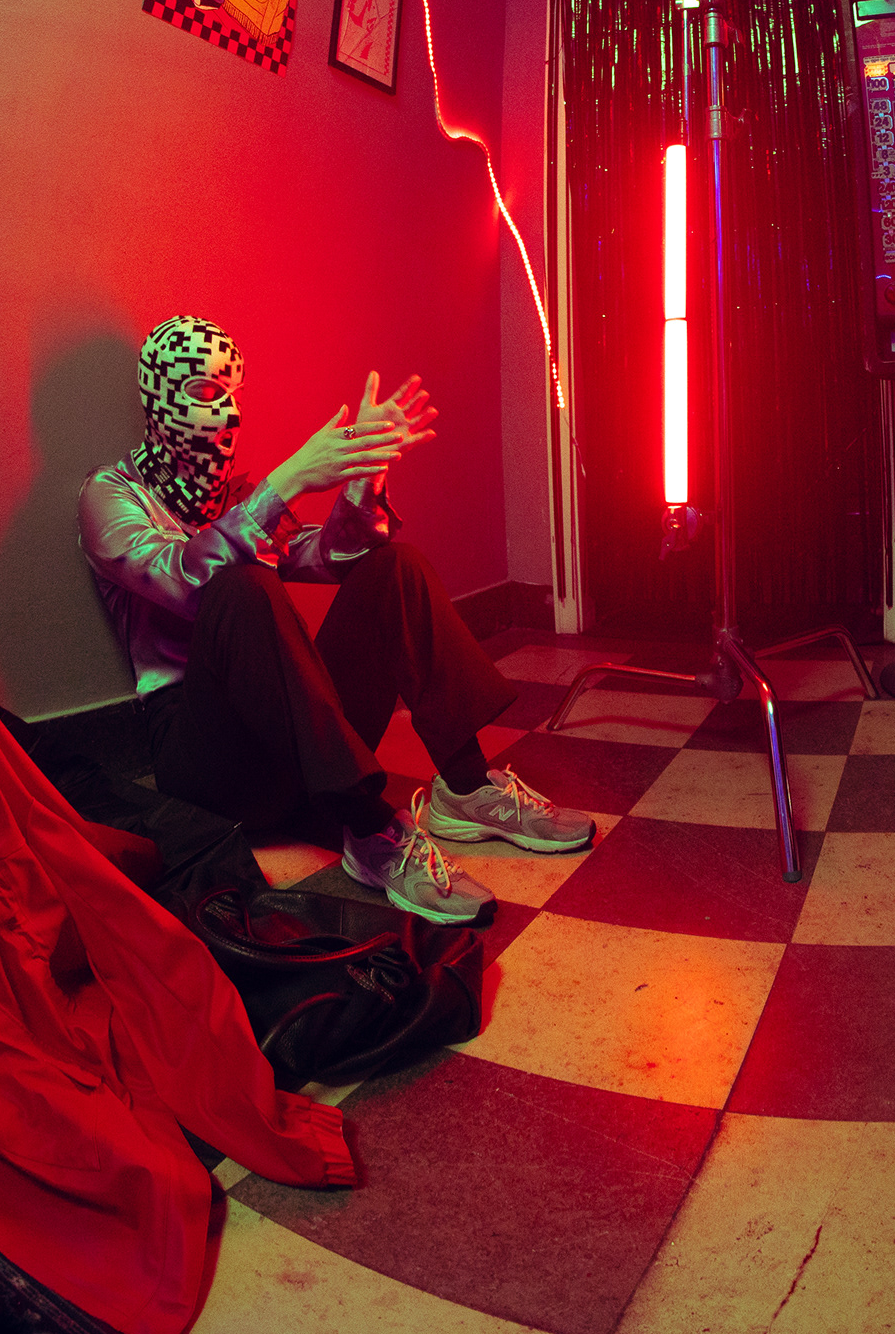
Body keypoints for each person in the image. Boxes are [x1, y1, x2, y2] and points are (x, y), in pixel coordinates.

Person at [79, 316, 592, 925]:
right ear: (158, 398)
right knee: (241, 585)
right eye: (207, 392)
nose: (229, 412)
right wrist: (289, 479)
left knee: (393, 565)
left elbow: (328, 557)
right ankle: (372, 829)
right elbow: (184, 580)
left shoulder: (235, 499)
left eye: (234, 392)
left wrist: (363, 482)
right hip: (206, 763)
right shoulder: (108, 496)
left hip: (288, 748)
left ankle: (467, 785)